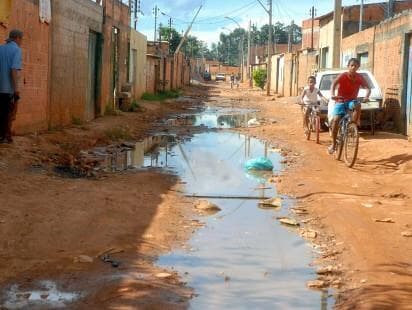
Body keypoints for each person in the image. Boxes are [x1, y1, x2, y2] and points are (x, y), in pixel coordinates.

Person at [328, 58, 371, 154]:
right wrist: (332, 94)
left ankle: (353, 125)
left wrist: (366, 96)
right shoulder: (343, 76)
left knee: (358, 105)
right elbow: (333, 84)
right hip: (340, 100)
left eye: (356, 66)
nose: (353, 67)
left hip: (352, 101)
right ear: (348, 66)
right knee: (336, 120)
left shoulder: (360, 77)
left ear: (358, 67)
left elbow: (368, 87)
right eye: (352, 65)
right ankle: (334, 144)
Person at [0, 29, 23, 144]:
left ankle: (5, 136)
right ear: (17, 38)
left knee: (1, 112)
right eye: (21, 39)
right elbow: (14, 69)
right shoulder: (17, 50)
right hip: (8, 88)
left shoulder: (0, 48)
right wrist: (16, 89)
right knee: (8, 113)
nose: (21, 42)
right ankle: (4, 136)